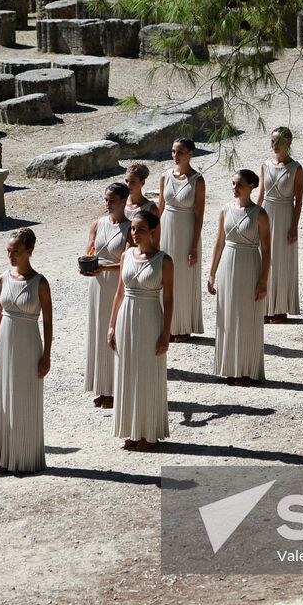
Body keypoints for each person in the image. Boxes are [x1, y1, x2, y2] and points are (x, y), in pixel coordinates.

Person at [0, 228, 53, 472]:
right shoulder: (3, 278)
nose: (11, 256)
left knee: (25, 396)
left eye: (16, 251)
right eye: (8, 251)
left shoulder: (40, 283)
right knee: (5, 395)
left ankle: (26, 458)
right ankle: (7, 457)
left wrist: (46, 355)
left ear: (29, 252)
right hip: (5, 341)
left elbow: (47, 322)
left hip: (28, 343)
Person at [108, 211, 174, 449]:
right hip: (126, 316)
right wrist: (112, 324)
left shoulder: (164, 261)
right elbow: (119, 292)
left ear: (153, 231)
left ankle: (148, 432)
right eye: (133, 229)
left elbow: (168, 300)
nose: (135, 234)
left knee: (147, 372)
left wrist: (166, 333)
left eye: (141, 229)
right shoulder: (126, 255)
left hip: (149, 318)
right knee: (127, 371)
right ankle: (131, 430)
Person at [208, 170, 272, 384]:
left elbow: (267, 250)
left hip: (249, 264)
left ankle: (247, 369)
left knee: (246, 316)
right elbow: (219, 243)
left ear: (252, 186)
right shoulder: (226, 210)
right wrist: (211, 273)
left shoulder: (260, 214)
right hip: (228, 264)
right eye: (233, 184)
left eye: (240, 185)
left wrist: (263, 280)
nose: (235, 189)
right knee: (227, 316)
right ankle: (231, 367)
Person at [84, 182, 131, 408]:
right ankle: (102, 388)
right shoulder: (97, 224)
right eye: (106, 199)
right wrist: (87, 264)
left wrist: (104, 268)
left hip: (116, 284)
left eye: (112, 200)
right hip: (97, 284)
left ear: (124, 201)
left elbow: (129, 262)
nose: (108, 204)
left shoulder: (131, 228)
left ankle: (115, 388)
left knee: (114, 334)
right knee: (98, 332)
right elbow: (90, 250)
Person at [159, 138, 205, 340]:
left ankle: (183, 326)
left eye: (180, 152)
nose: (175, 156)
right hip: (166, 228)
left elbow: (199, 215)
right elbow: (159, 208)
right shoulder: (165, 176)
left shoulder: (198, 180)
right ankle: (166, 326)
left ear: (190, 154)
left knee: (183, 278)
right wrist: (153, 236)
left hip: (186, 231)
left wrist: (193, 245)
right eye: (173, 151)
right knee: (165, 277)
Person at [257, 127, 303, 323]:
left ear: (288, 144)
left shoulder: (296, 168)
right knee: (263, 257)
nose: (274, 145)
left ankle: (280, 308)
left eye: (279, 142)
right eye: (272, 141)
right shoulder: (265, 165)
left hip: (284, 215)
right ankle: (265, 306)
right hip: (266, 212)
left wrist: (294, 226)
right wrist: (253, 215)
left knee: (281, 261)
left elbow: (299, 200)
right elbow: (261, 193)